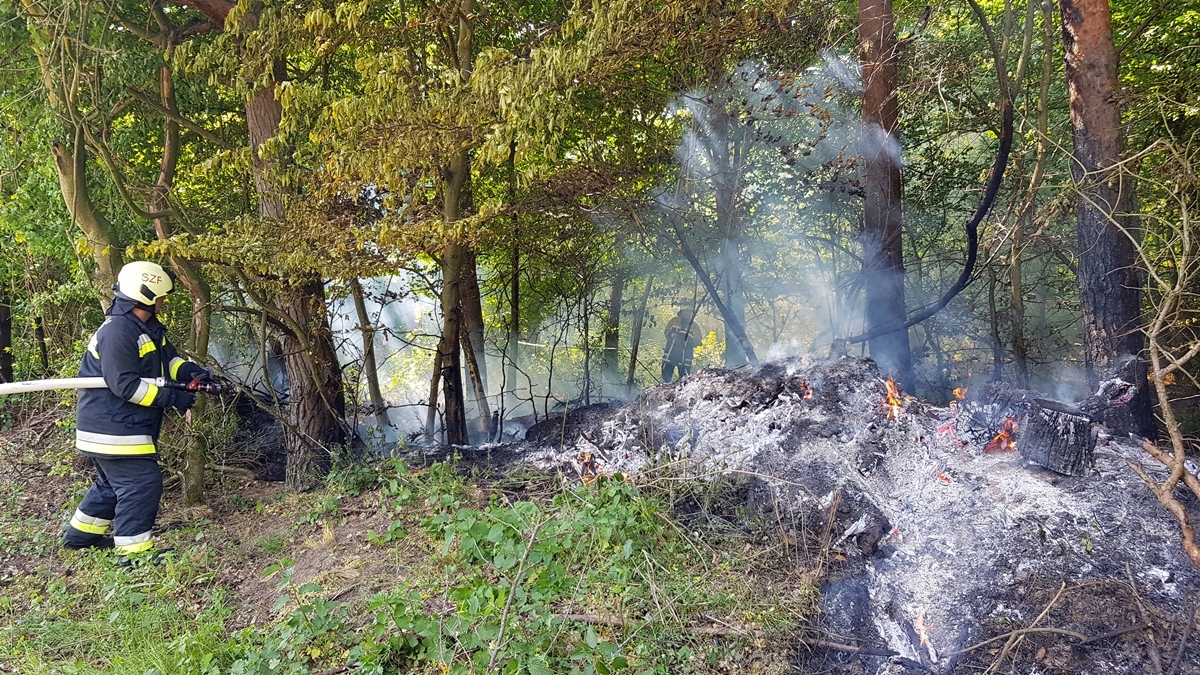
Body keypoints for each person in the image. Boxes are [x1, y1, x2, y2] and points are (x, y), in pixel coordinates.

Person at [63, 261, 210, 557]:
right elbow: (125, 386)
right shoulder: (117, 332)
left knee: (110, 483)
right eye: (161, 296)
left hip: (122, 426)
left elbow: (168, 359)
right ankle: (134, 555)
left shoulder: (147, 328)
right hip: (113, 427)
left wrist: (188, 372)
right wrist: (173, 398)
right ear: (147, 294)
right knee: (141, 483)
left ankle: (80, 536)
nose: (163, 302)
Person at [661, 308, 703, 382]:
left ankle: (682, 389)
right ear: (681, 313)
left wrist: (691, 342)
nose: (687, 313)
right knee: (666, 372)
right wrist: (671, 334)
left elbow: (698, 340)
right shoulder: (674, 321)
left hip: (686, 354)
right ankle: (666, 388)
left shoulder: (694, 325)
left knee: (685, 376)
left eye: (689, 312)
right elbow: (666, 332)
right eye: (685, 311)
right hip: (671, 352)